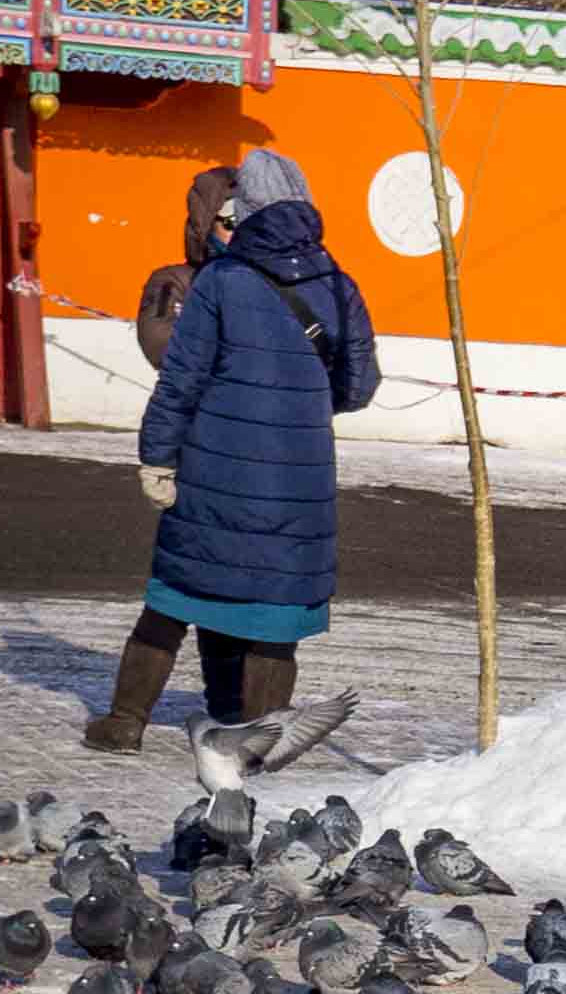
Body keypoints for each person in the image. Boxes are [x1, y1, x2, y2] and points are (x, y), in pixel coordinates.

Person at [88, 146, 379, 754]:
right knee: (274, 613)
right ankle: (256, 742)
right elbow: (358, 387)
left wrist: (157, 456)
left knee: (177, 594)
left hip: (212, 467)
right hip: (299, 481)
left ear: (244, 210)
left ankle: (124, 723)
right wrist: (297, 402)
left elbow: (181, 379)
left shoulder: (221, 281)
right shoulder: (340, 284)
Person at [134, 158, 238, 371]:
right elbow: (161, 345)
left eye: (251, 222)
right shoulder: (176, 281)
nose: (241, 231)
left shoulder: (279, 278)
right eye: (231, 222)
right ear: (207, 225)